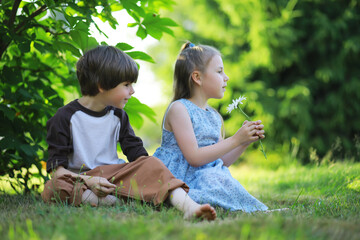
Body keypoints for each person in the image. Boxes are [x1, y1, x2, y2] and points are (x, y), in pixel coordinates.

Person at [41, 45, 216, 221]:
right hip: (81, 179)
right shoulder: (64, 118)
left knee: (151, 165)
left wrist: (150, 170)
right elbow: (57, 171)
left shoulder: (118, 115)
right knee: (54, 188)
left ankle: (190, 207)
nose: (132, 91)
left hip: (114, 176)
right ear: (101, 85)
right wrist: (89, 181)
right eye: (126, 85)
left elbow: (138, 157)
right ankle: (120, 200)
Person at [153, 42, 268, 212]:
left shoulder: (214, 115)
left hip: (205, 176)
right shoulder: (179, 109)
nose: (226, 77)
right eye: (219, 71)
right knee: (214, 179)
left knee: (218, 177)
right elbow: (194, 157)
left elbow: (220, 161)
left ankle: (250, 208)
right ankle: (196, 202)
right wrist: (235, 139)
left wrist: (244, 141)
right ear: (197, 77)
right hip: (179, 178)